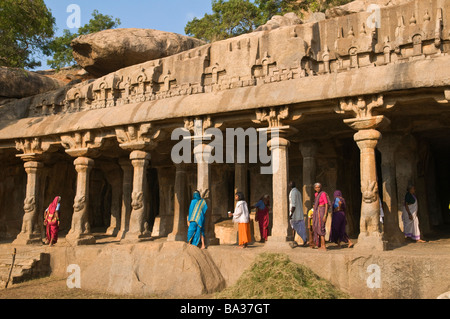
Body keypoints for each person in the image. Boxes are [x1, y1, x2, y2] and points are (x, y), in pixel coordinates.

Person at [288, 182, 308, 247]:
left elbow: (293, 205)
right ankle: (304, 240)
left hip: (295, 214)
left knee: (294, 227)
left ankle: (294, 241)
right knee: (300, 228)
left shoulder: (293, 192)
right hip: (299, 214)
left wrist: (291, 214)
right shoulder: (298, 192)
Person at [312, 183, 330, 250]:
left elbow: (326, 204)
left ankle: (324, 246)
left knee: (321, 227)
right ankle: (321, 245)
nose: (317, 188)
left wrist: (325, 215)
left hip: (322, 211)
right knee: (317, 227)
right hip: (317, 211)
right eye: (316, 187)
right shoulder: (316, 194)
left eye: (318, 187)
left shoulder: (323, 194)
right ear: (314, 188)